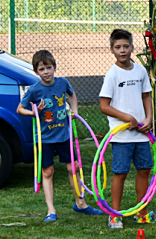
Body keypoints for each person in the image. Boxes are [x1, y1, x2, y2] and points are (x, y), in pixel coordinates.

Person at [18, 50, 103, 222]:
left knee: (74, 168)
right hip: (45, 138)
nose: (46, 72)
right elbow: (20, 108)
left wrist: (74, 111)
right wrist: (35, 112)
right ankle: (51, 210)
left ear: (55, 67)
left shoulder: (62, 83)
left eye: (49, 67)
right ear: (36, 72)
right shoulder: (34, 90)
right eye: (42, 69)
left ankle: (81, 203)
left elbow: (72, 95)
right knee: (48, 172)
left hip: (64, 135)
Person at [99, 29, 156, 229]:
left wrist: (148, 118)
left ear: (132, 48)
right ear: (111, 49)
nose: (122, 51)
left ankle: (142, 212)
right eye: (118, 47)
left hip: (142, 134)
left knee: (144, 170)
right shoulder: (112, 75)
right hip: (121, 136)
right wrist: (127, 118)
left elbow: (146, 96)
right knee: (120, 173)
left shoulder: (140, 71)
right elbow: (104, 106)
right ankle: (115, 214)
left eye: (126, 46)